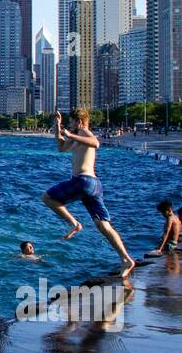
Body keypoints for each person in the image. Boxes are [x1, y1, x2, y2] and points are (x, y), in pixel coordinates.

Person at [42, 108, 136, 274]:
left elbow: (95, 143)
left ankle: (74, 223)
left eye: (71, 121)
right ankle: (126, 259)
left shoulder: (85, 133)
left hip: (82, 181)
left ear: (78, 121)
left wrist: (70, 135)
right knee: (103, 225)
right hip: (93, 185)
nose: (69, 125)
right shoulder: (78, 137)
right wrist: (57, 126)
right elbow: (61, 148)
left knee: (47, 197)